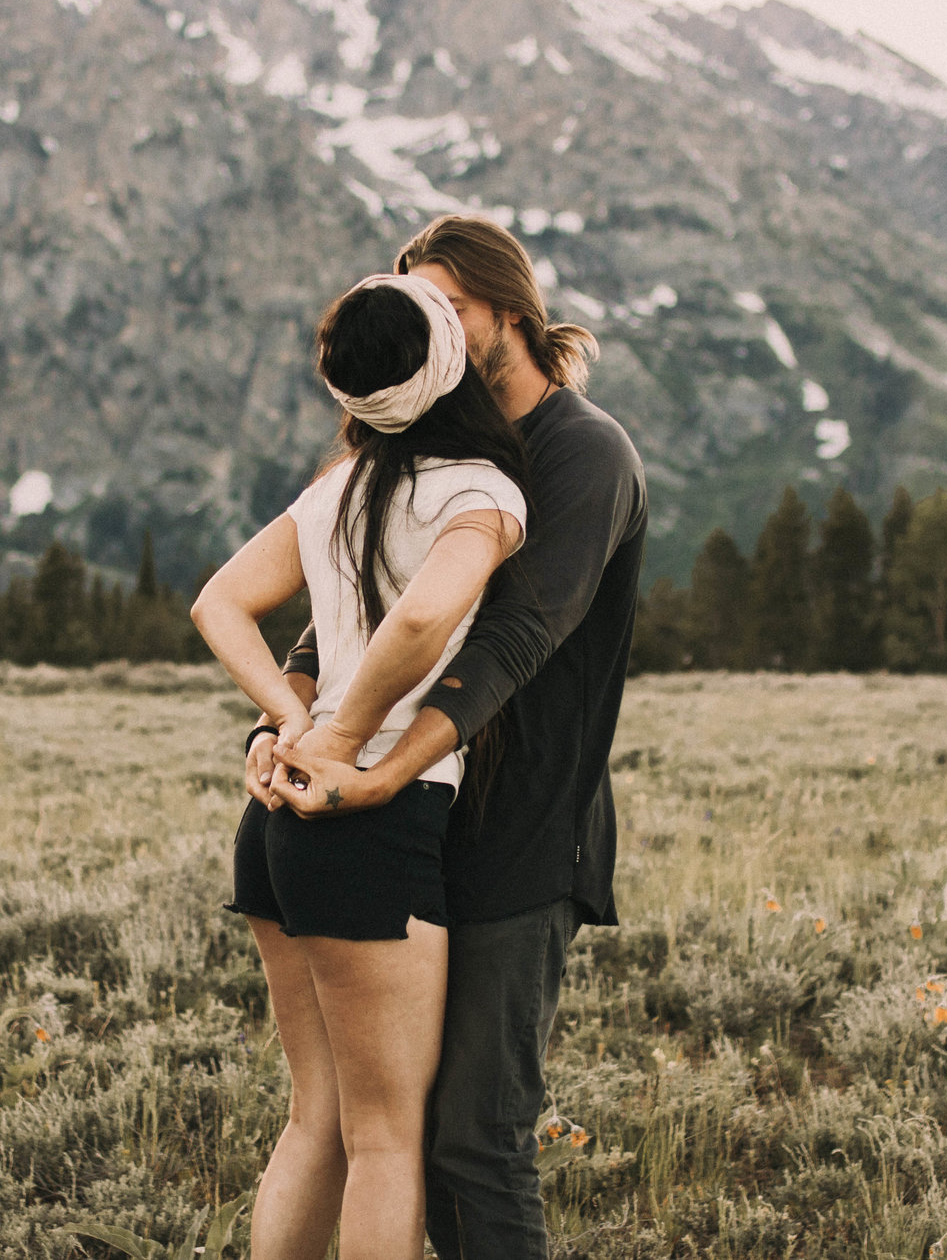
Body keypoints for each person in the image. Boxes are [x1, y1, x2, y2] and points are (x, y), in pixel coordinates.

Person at [263, 214, 647, 1260]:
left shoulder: (585, 453)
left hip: (521, 831)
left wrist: (375, 762)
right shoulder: (429, 437)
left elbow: (519, 632)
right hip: (416, 817)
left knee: (476, 1139)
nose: (430, 324)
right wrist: (286, 718)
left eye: (449, 305)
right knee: (395, 1131)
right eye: (417, 306)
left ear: (506, 312)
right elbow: (343, 608)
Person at [190, 270, 532, 1260]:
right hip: (370, 819)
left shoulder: (338, 486)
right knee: (386, 1135)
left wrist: (290, 709)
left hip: (274, 823)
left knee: (316, 1117)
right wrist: (344, 737)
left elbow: (218, 602)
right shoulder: (482, 491)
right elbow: (427, 614)